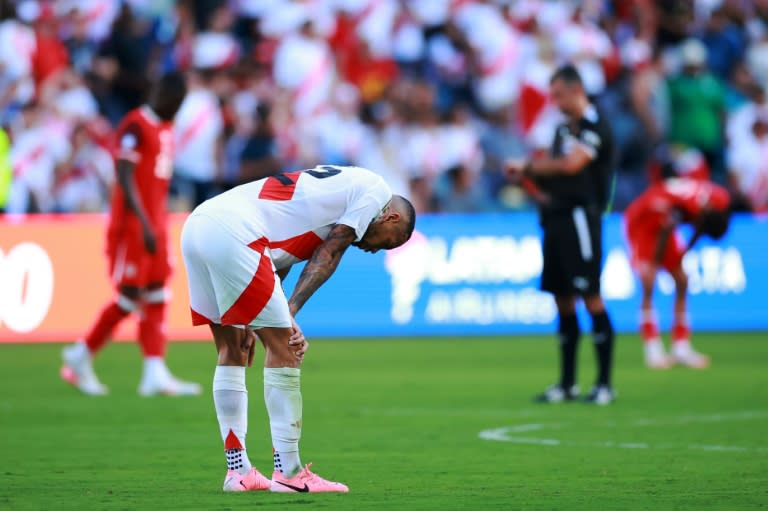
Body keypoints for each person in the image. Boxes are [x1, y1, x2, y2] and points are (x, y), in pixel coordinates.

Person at [180, 165, 415, 493]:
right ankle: (289, 474)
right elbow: (330, 251)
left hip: (199, 224)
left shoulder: (334, 194)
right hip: (238, 233)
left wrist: (261, 314)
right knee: (286, 348)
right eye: (388, 244)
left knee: (232, 349)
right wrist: (289, 312)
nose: (376, 250)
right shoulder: (376, 193)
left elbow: (278, 261)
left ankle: (238, 471)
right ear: (391, 218)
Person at [60, 72, 201, 397]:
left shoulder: (166, 128)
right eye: (176, 102)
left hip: (155, 224)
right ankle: (81, 354)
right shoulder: (136, 125)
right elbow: (124, 175)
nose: (177, 109)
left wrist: (156, 221)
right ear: (162, 93)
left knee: (156, 293)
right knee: (128, 297)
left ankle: (154, 372)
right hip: (133, 227)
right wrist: (144, 221)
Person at [506, 64, 616, 405]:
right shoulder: (561, 130)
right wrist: (530, 180)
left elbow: (571, 166)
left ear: (576, 89)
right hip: (555, 219)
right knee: (562, 298)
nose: (554, 101)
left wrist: (528, 165)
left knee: (590, 295)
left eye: (557, 95)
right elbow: (554, 175)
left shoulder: (595, 126)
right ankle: (568, 384)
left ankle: (604, 384)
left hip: (582, 218)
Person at [624, 177, 731, 369]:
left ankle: (681, 347)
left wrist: (683, 254)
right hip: (644, 221)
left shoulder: (718, 201)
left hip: (664, 221)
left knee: (682, 280)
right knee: (648, 282)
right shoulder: (684, 207)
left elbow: (699, 227)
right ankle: (653, 349)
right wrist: (655, 263)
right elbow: (666, 229)